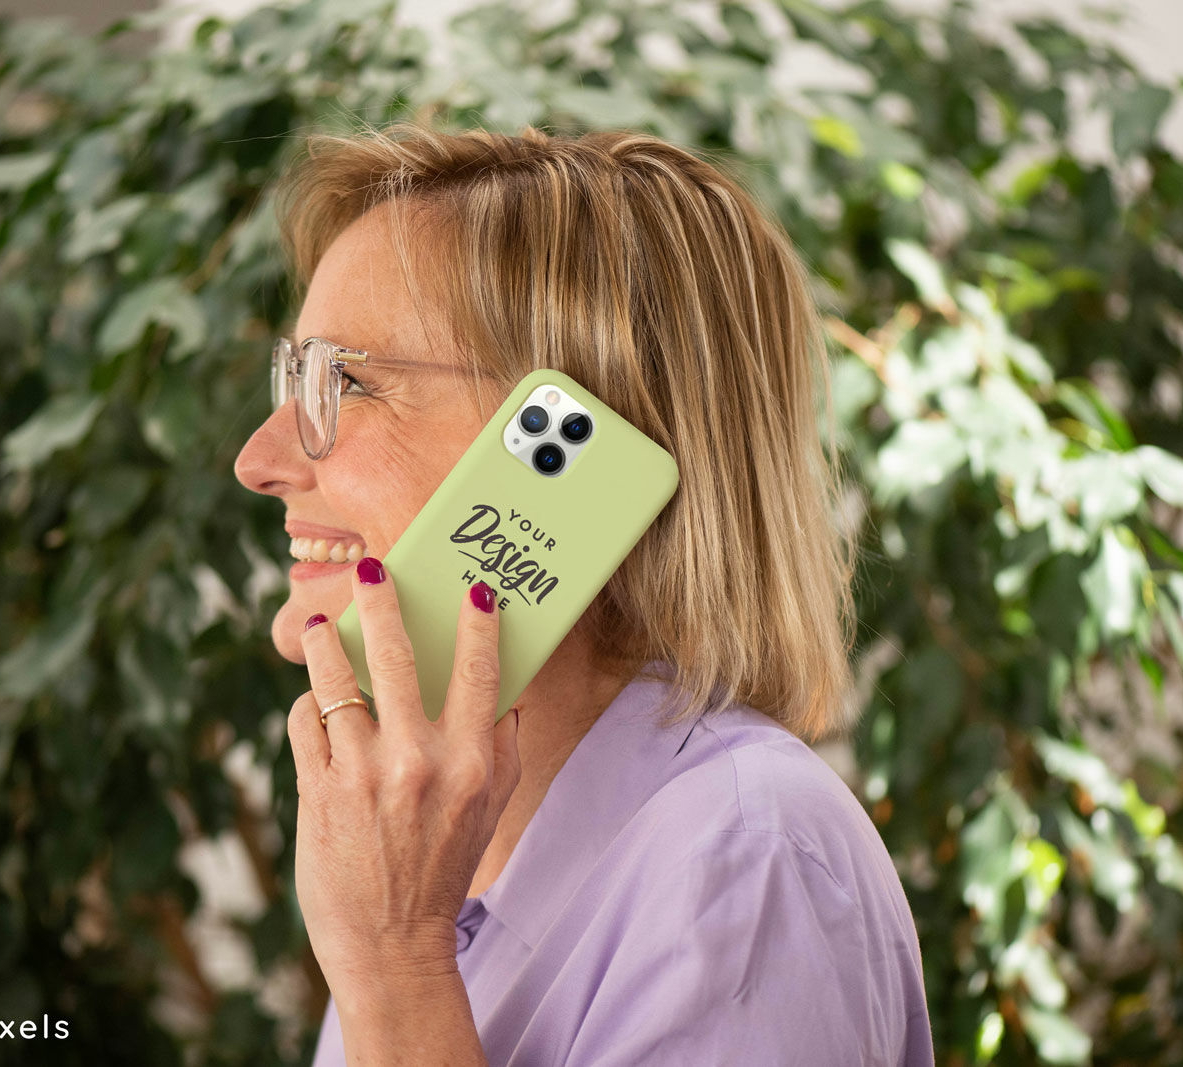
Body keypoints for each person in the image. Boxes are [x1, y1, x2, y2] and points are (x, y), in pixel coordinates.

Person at [233, 118, 934, 1066]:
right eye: (293, 376)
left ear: (574, 444)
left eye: (343, 383)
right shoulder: (426, 871)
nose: (259, 460)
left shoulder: (742, 857)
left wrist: (395, 971)